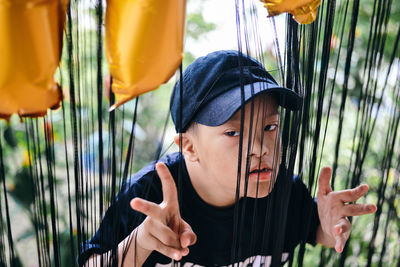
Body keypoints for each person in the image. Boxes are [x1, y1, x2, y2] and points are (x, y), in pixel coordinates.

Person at [79, 50, 377, 266]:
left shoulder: (286, 191)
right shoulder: (149, 197)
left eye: (270, 127)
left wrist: (329, 227)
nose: (260, 147)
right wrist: (142, 241)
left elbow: (316, 231)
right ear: (189, 147)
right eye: (234, 133)